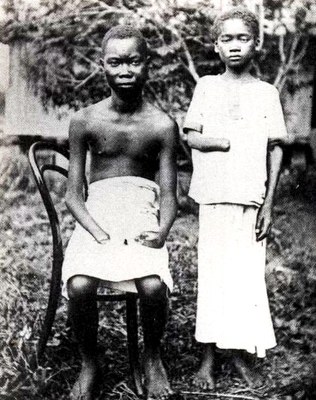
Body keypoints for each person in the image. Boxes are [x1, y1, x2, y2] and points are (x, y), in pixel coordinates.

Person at [62, 25, 178, 400]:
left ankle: (151, 354)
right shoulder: (85, 120)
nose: (125, 69)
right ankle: (90, 360)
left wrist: (161, 231)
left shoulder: (162, 125)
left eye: (133, 61)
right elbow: (73, 196)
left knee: (152, 285)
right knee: (80, 284)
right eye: (116, 62)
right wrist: (96, 232)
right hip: (98, 214)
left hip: (142, 212)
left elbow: (169, 195)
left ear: (147, 66)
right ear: (102, 66)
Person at [183, 7, 287, 390]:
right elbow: (189, 135)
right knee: (214, 273)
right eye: (226, 39)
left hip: (251, 199)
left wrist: (270, 204)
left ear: (256, 44)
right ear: (216, 45)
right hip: (214, 197)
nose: (235, 46)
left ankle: (239, 351)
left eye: (242, 38)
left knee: (244, 276)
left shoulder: (266, 94)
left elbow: (277, 148)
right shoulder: (207, 87)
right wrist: (221, 141)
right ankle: (208, 358)